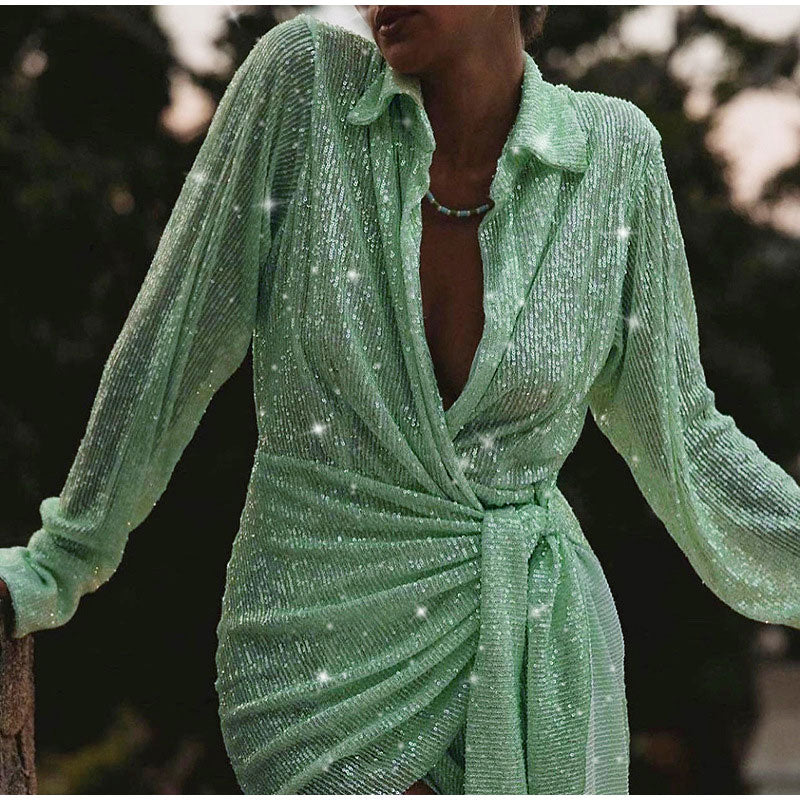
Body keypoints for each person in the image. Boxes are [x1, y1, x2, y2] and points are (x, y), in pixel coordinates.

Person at [1, 4, 799, 795]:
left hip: (535, 656)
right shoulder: (303, 90)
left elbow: (686, 432)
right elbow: (172, 341)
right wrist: (57, 562)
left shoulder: (614, 158)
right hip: (319, 665)